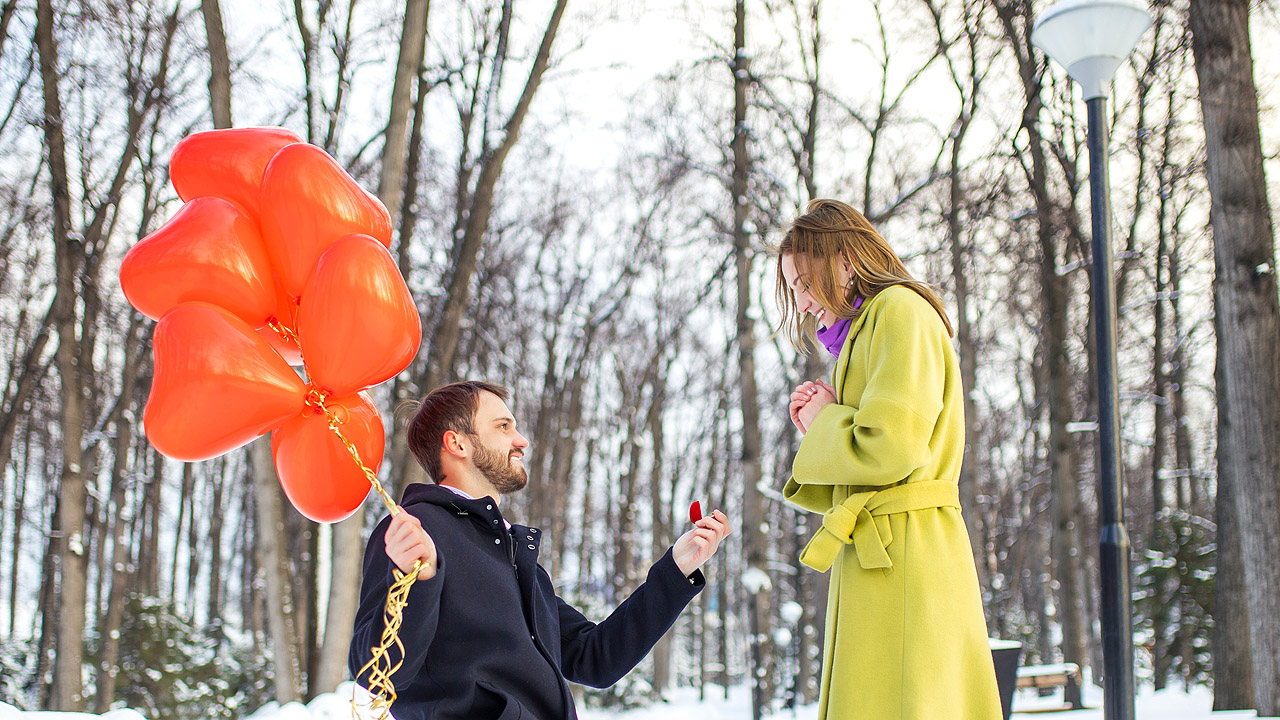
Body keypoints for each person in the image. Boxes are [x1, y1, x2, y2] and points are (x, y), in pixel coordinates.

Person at [348, 380, 732, 720]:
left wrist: (676, 570)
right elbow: (375, 674)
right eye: (503, 426)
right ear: (457, 443)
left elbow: (594, 658)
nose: (521, 440)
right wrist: (420, 582)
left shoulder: (510, 550)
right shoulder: (415, 533)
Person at [774, 199, 1001, 719]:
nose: (803, 302)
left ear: (845, 261)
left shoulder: (900, 312)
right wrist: (822, 421)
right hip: (885, 550)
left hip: (907, 553)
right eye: (795, 288)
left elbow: (890, 449)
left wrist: (825, 421)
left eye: (805, 282)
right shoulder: (868, 329)